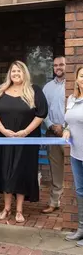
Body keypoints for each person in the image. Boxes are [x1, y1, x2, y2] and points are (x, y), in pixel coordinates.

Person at [0, 60, 48, 223]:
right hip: (4, 139)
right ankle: (7, 208)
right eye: (13, 71)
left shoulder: (34, 91)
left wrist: (25, 132)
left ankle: (19, 210)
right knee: (6, 172)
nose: (16, 74)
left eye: (19, 71)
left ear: (25, 73)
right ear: (10, 73)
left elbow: (41, 114)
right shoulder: (0, 91)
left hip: (27, 140)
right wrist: (4, 131)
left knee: (21, 172)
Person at [42, 56, 66, 214]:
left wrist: (64, 127)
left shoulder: (75, 84)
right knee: (55, 170)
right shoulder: (47, 87)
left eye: (62, 65)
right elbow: (43, 111)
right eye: (56, 65)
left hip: (73, 132)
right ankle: (54, 201)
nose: (58, 67)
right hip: (52, 132)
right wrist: (51, 125)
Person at [63, 66, 83, 247]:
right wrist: (67, 130)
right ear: (76, 79)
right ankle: (81, 229)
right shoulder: (72, 99)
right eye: (82, 76)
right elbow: (68, 122)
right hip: (76, 153)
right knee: (80, 191)